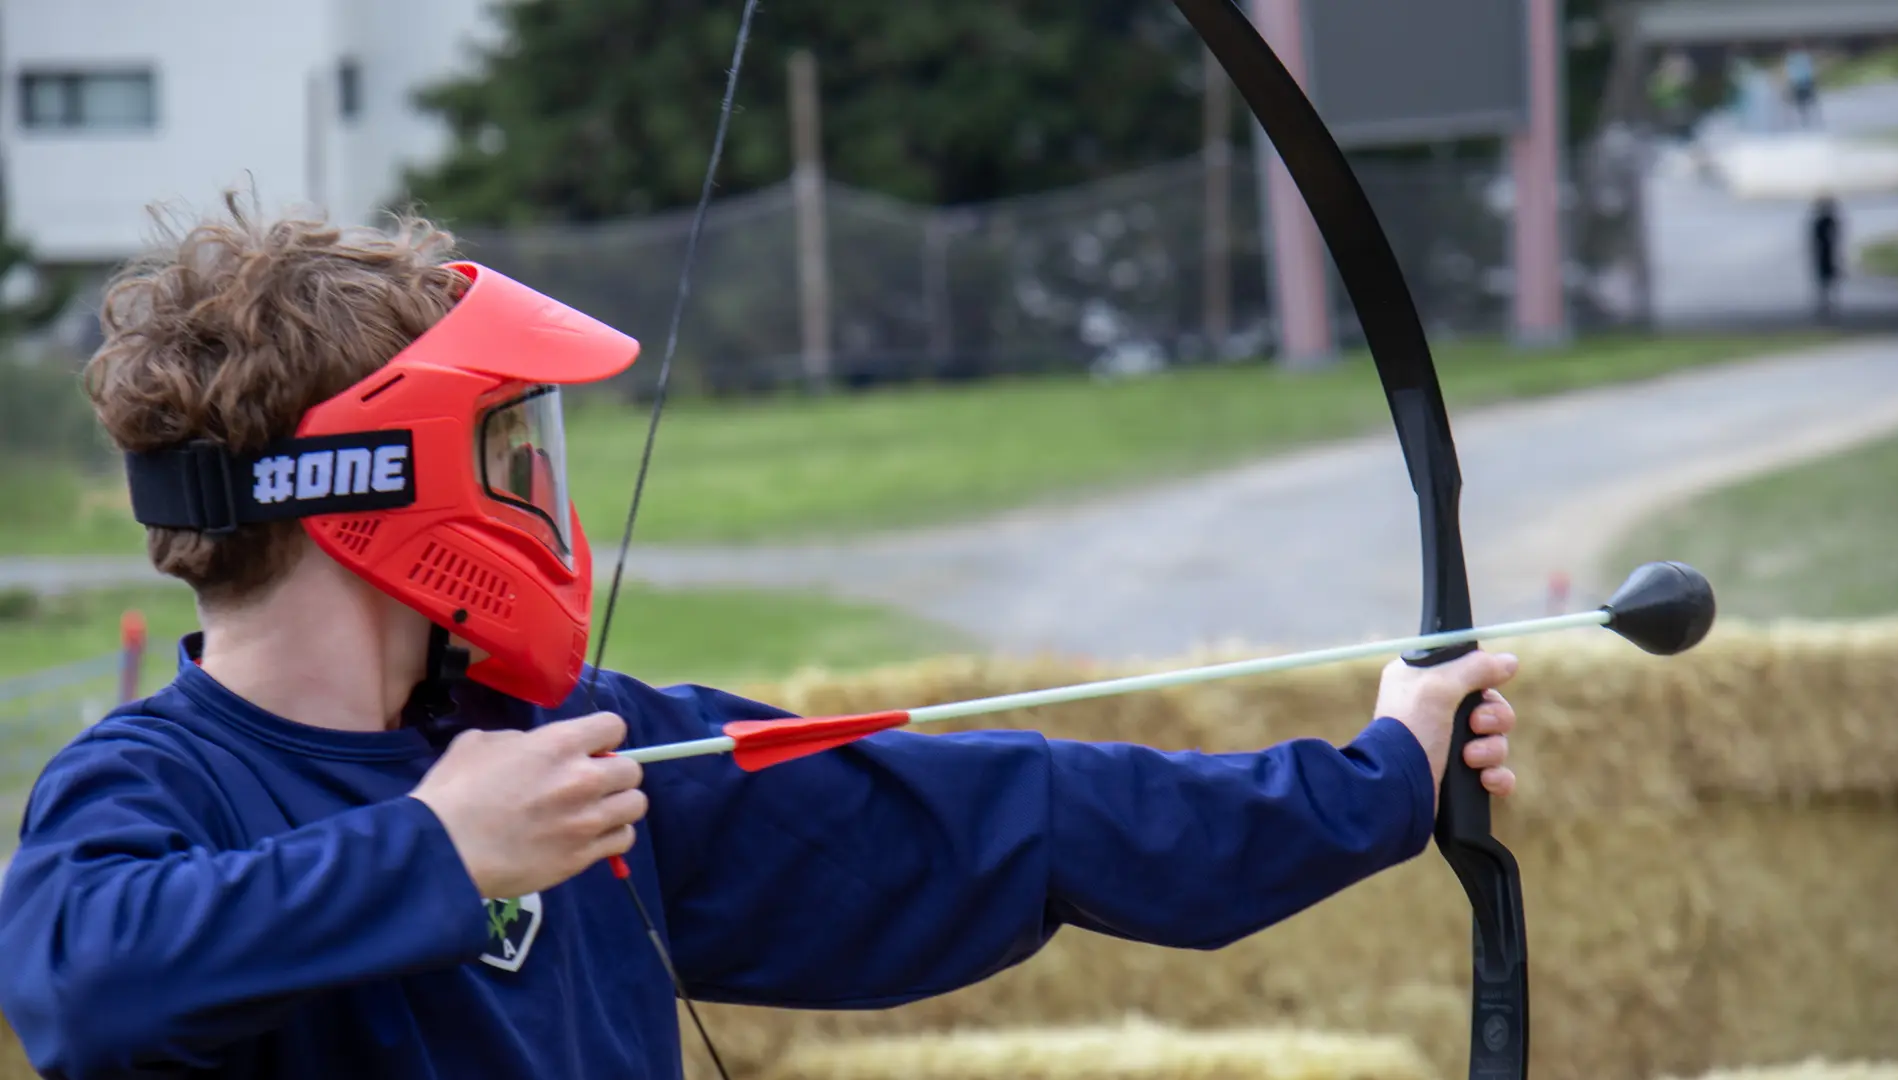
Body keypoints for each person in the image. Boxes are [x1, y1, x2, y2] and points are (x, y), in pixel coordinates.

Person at [0, 195, 1522, 1080]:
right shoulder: (154, 788)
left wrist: (1383, 775)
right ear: (386, 482)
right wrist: (442, 855)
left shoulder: (574, 758)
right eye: (510, 447)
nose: (539, 488)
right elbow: (77, 983)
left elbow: (1014, 819)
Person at [1809, 193, 1843, 322]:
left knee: (1827, 281)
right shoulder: (1825, 221)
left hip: (1827, 253)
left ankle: (1828, 306)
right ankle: (1827, 306)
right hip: (1825, 254)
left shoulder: (1824, 221)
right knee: (1826, 282)